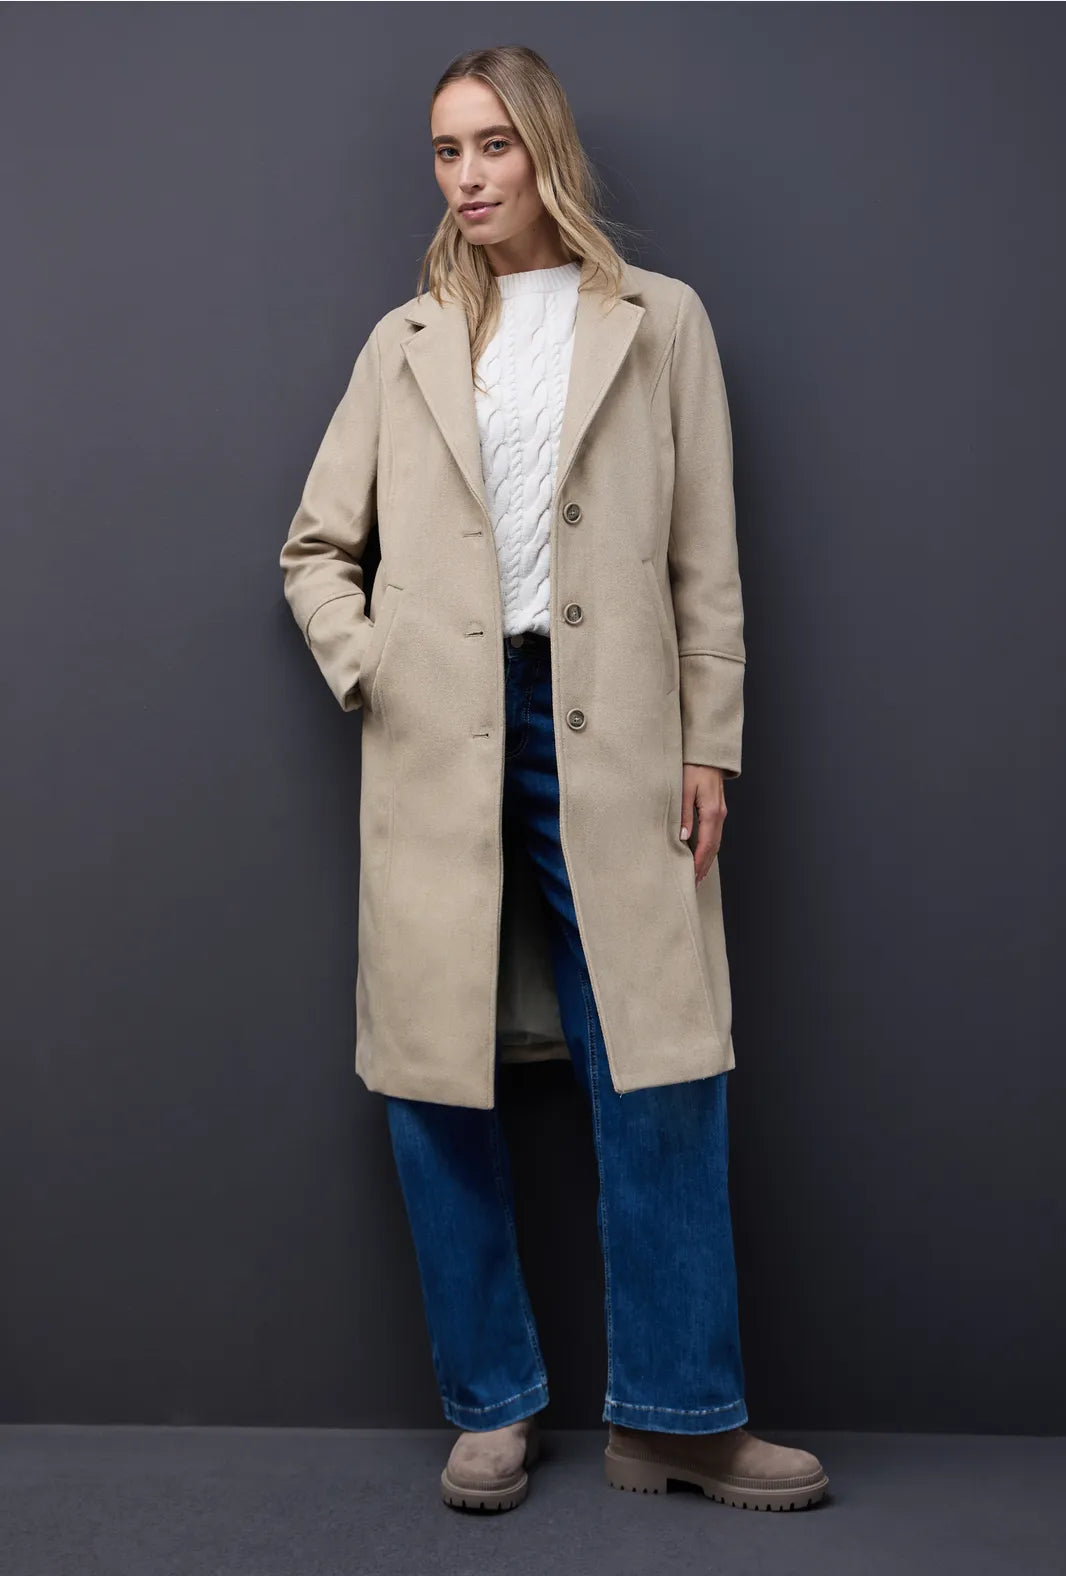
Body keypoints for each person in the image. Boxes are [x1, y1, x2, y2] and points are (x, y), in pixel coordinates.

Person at [280, 45, 829, 1514]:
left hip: (618, 728)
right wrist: (375, 665)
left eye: (492, 145)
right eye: (445, 150)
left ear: (545, 150)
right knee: (430, 1073)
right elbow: (316, 548)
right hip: (438, 731)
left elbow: (704, 553)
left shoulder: (658, 321)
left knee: (662, 1062)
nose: (467, 177)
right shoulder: (402, 341)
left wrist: (709, 739)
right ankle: (490, 1405)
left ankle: (679, 1417)